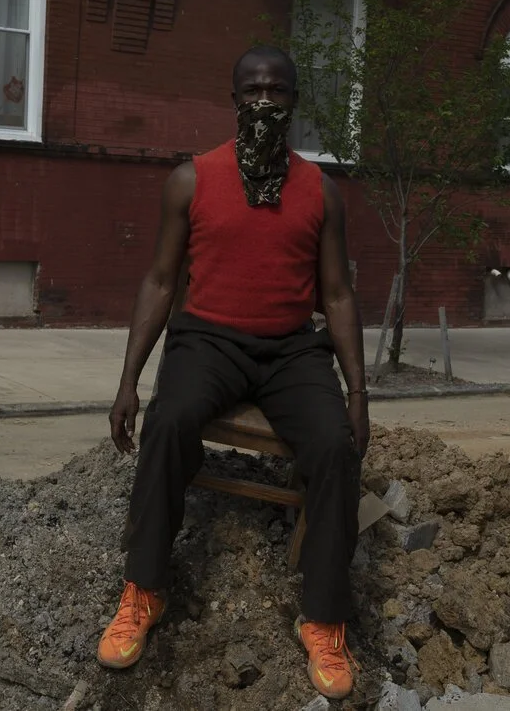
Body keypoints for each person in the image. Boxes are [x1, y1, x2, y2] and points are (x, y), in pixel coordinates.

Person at [96, 45, 370, 700]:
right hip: (208, 340)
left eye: (277, 90)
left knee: (334, 445)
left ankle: (324, 619)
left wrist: (359, 392)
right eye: (252, 90)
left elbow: (336, 295)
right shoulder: (191, 180)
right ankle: (144, 589)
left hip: (292, 351)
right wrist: (129, 381)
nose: (264, 101)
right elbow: (161, 281)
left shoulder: (320, 192)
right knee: (169, 420)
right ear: (234, 99)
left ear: (294, 101)